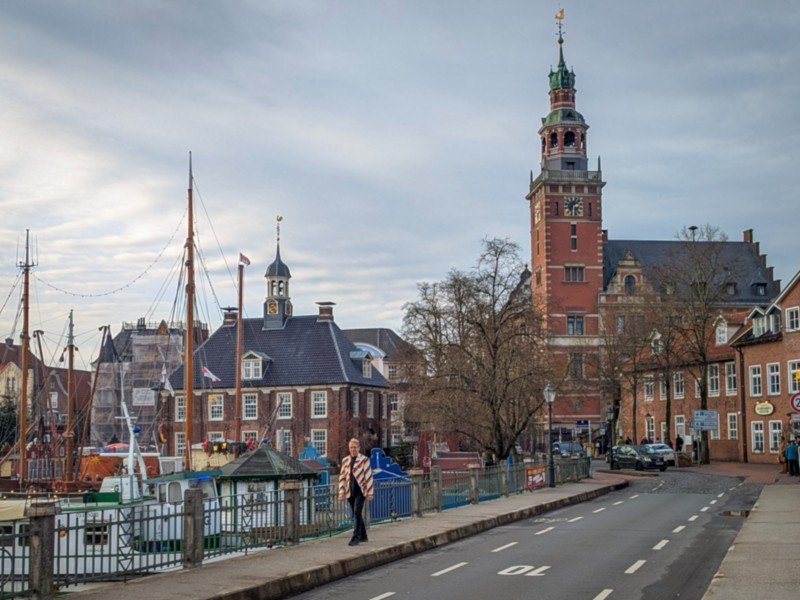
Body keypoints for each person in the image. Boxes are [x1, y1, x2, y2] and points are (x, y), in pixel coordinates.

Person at [338, 438, 374, 546]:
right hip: (350, 490)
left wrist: (370, 492)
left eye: (355, 447)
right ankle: (363, 535)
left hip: (360, 490)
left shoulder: (364, 460)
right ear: (349, 448)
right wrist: (341, 491)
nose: (353, 449)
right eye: (351, 447)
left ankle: (356, 537)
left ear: (358, 448)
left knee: (357, 512)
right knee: (355, 513)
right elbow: (342, 477)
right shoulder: (345, 460)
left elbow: (368, 476)